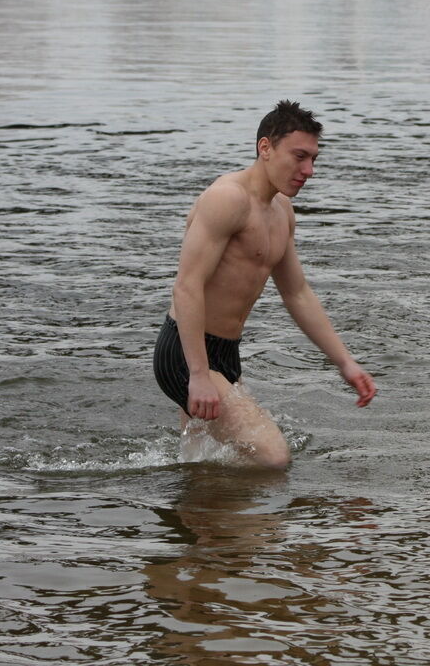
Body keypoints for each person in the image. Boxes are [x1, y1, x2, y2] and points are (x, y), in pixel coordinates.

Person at [153, 100, 378, 470]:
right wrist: (197, 374)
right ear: (266, 148)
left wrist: (345, 363)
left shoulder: (281, 212)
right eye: (300, 156)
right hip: (185, 351)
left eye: (314, 160)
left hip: (225, 354)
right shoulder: (228, 198)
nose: (309, 171)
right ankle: (259, 526)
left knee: (200, 466)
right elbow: (187, 287)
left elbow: (297, 293)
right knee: (273, 458)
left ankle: (203, 524)